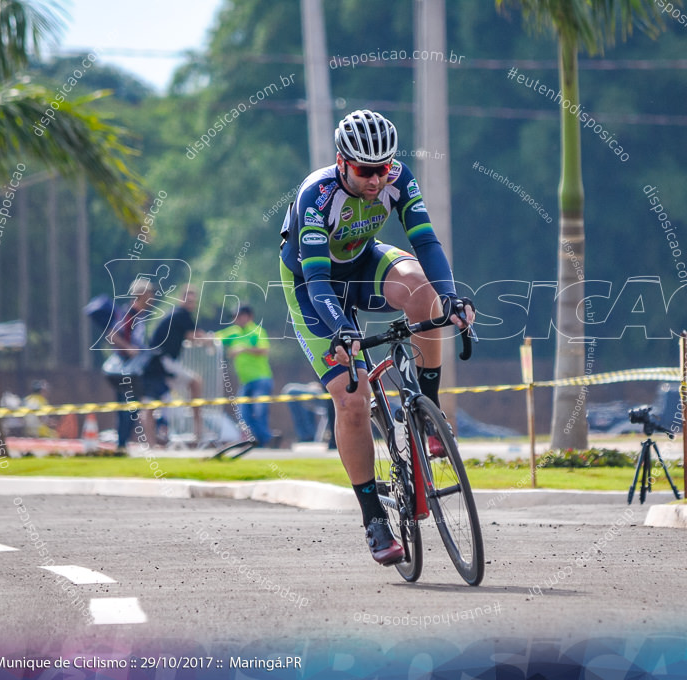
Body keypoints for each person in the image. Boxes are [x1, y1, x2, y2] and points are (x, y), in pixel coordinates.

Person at [278, 109, 474, 566]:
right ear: (343, 162)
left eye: (383, 168)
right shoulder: (316, 194)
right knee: (352, 397)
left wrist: (450, 298)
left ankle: (427, 416)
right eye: (366, 170)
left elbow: (426, 243)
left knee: (425, 294)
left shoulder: (397, 178)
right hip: (314, 286)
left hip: (364, 264)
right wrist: (343, 331)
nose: (375, 179)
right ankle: (372, 517)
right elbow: (319, 279)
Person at [144, 284, 208, 444]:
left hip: (156, 365)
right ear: (181, 299)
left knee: (150, 404)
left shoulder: (177, 315)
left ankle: (151, 444)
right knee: (195, 382)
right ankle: (198, 432)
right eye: (188, 300)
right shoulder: (181, 314)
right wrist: (213, 341)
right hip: (162, 363)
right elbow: (195, 336)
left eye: (193, 301)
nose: (190, 304)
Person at [107, 277, 158, 451]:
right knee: (128, 408)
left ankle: (123, 445)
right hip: (125, 370)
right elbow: (112, 335)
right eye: (150, 292)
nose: (152, 296)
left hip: (133, 370)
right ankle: (121, 445)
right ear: (142, 294)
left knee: (131, 408)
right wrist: (128, 348)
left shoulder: (140, 315)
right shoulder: (130, 313)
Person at [216, 306, 273, 446]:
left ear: (249, 316)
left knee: (259, 412)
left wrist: (243, 349)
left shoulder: (257, 331)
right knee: (243, 414)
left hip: (261, 379)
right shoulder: (234, 332)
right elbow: (214, 338)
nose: (237, 319)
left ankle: (265, 440)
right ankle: (259, 440)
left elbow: (264, 349)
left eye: (240, 316)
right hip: (245, 382)